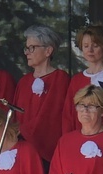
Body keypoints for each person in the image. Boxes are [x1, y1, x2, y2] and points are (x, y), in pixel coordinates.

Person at [13, 25, 70, 165]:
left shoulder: (60, 78)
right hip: (21, 150)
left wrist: (23, 130)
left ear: (48, 50)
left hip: (45, 154)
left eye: (32, 48)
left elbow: (51, 116)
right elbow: (14, 115)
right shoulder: (23, 81)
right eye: (26, 48)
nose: (27, 52)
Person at [61, 25, 103, 134]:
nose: (90, 50)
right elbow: (68, 114)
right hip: (81, 136)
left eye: (95, 45)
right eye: (86, 46)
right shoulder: (77, 80)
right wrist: (69, 138)